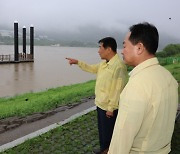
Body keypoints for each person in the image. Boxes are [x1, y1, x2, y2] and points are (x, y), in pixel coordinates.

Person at [108, 22, 178, 154]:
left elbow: (122, 139)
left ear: (139, 48)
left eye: (124, 45)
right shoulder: (167, 76)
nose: (122, 51)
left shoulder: (137, 86)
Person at [66, 37, 128, 154]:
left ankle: (109, 151)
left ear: (108, 49)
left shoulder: (118, 66)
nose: (98, 51)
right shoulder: (105, 63)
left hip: (109, 108)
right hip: (100, 104)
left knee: (109, 133)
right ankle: (103, 150)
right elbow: (92, 68)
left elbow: (118, 89)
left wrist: (111, 108)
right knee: (102, 131)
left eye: (100, 47)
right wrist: (78, 62)